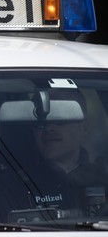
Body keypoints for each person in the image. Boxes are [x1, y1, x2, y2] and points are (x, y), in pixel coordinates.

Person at [27, 89, 108, 217]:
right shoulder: (14, 184)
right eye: (40, 123)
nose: (49, 128)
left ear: (84, 127)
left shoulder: (103, 180)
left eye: (60, 119)